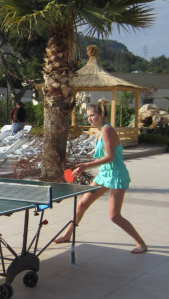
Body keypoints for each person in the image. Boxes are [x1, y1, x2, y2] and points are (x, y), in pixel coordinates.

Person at [54, 99, 147, 254]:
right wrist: (81, 167)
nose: (89, 119)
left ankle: (141, 244)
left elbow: (110, 157)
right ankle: (67, 235)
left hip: (116, 175)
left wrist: (86, 165)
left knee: (114, 216)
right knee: (81, 205)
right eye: (88, 116)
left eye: (92, 115)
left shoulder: (107, 130)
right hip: (104, 174)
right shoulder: (99, 132)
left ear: (101, 115)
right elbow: (102, 158)